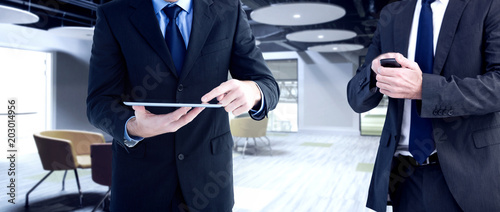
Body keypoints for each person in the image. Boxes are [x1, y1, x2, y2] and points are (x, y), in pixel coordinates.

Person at [86, 0, 279, 211]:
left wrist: (253, 91)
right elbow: (99, 101)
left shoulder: (229, 10)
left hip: (210, 180)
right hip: (139, 183)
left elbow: (267, 84)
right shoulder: (113, 14)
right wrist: (133, 127)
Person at [347, 0, 500, 211]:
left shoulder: (488, 5)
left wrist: (424, 89)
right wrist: (374, 75)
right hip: (405, 177)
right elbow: (355, 99)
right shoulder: (393, 14)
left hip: (470, 174)